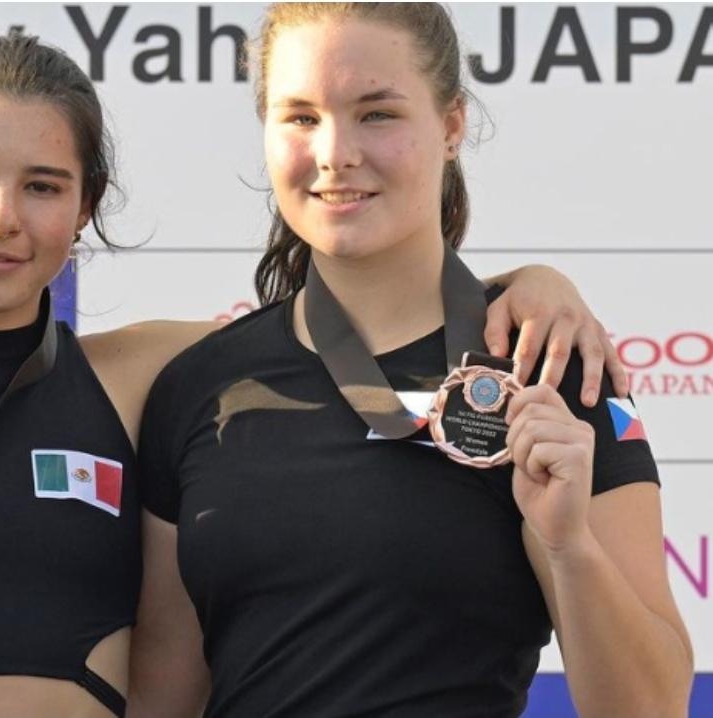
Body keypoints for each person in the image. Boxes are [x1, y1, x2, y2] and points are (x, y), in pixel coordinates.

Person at [0, 34, 633, 718]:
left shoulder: (153, 372)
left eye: (42, 185)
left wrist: (527, 289)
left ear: (84, 205)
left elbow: (362, 322)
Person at [129, 4, 694, 717]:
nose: (335, 152)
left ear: (451, 125)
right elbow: (164, 696)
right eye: (300, 117)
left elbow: (649, 707)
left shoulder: (549, 366)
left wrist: (566, 545)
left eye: (376, 114)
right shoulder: (196, 385)